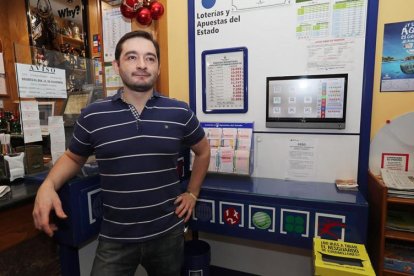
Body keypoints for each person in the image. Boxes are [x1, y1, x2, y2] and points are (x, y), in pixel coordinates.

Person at [33, 30, 210, 276]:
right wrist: (48, 185)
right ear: (116, 65)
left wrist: (192, 192)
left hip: (167, 236)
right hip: (115, 238)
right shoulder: (94, 115)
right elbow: (74, 158)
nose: (141, 65)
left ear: (158, 67)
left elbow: (203, 151)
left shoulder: (179, 112)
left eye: (150, 58)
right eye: (132, 57)